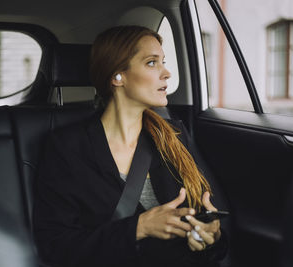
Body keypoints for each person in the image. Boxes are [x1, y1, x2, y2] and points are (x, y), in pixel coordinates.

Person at [33, 25, 229, 267]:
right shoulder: (67, 148)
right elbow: (57, 248)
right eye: (151, 63)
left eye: (163, 62)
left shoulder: (174, 136)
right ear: (118, 76)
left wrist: (210, 236)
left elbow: (206, 235)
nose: (166, 73)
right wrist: (139, 228)